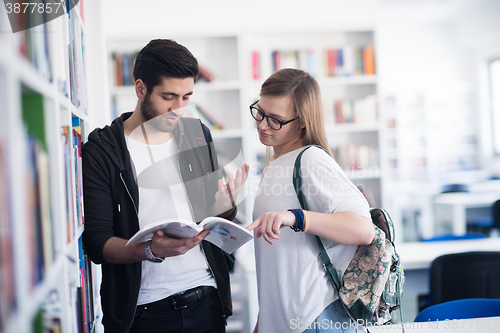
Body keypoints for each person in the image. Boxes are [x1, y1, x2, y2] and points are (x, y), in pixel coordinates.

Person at [82, 39, 248, 333]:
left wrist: (226, 205)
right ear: (140, 89)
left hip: (207, 299)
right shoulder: (103, 149)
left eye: (186, 97)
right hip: (141, 313)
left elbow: (212, 220)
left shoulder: (197, 135)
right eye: (169, 97)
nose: (179, 109)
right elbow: (97, 242)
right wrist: (149, 250)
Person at [246, 68, 375, 333]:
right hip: (287, 320)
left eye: (275, 120)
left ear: (302, 122)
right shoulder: (278, 163)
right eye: (259, 112)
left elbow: (364, 228)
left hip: (314, 319)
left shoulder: (311, 160)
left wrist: (296, 217)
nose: (262, 125)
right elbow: (279, 262)